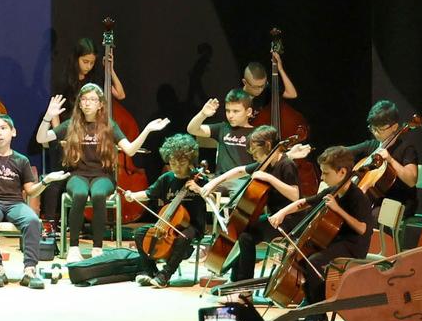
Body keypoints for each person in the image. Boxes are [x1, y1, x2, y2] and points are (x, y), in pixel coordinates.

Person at [35, 84, 170, 258]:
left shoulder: (108, 125)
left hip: (102, 175)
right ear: (79, 104)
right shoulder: (71, 124)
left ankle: (97, 247)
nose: (87, 103)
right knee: (80, 194)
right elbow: (41, 139)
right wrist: (48, 117)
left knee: (98, 194)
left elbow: (130, 150)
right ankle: (74, 247)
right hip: (78, 175)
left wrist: (147, 130)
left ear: (100, 104)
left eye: (92, 99)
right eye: (84, 99)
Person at [268, 146, 372, 321]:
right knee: (303, 258)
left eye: (325, 173)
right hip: (336, 242)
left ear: (342, 172)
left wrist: (338, 210)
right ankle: (309, 303)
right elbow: (304, 202)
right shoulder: (333, 191)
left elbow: (362, 229)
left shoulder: (357, 196)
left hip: (353, 245)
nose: (322, 178)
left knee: (314, 261)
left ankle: (319, 316)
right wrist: (282, 213)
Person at [199, 124, 310, 286]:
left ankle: (243, 286)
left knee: (246, 237)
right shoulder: (266, 163)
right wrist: (214, 182)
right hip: (274, 218)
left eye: (255, 152)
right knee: (243, 234)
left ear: (269, 146)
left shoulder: (286, 165)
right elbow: (239, 171)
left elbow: (295, 195)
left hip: (290, 219)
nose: (253, 157)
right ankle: (236, 282)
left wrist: (269, 178)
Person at [0, 113, 56, 290]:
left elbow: (30, 190)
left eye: (3, 128)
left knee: (32, 221)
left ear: (13, 132)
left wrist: (45, 182)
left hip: (16, 203)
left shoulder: (21, 160)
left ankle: (30, 270)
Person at [132, 132, 213, 288]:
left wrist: (198, 189)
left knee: (183, 236)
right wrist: (132, 195)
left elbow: (213, 200)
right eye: (172, 162)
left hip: (193, 226)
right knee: (140, 233)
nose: (176, 167)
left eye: (181, 163)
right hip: (167, 225)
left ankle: (165, 274)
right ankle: (149, 270)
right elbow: (149, 193)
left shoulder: (200, 179)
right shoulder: (167, 178)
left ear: (190, 161)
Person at [341, 100, 422, 213]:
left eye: (379, 129)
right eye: (372, 128)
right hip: (377, 200)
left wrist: (391, 160)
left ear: (394, 127)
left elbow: (411, 180)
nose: (375, 132)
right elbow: (343, 152)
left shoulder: (406, 148)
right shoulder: (372, 145)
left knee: (371, 215)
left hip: (400, 201)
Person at [186, 89, 262, 177]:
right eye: (228, 110)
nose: (230, 115)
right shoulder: (222, 128)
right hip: (220, 181)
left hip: (244, 182)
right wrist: (203, 114)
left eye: (236, 111)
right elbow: (192, 129)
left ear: (248, 112)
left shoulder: (257, 133)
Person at [66, 36, 126, 102]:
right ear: (76, 59)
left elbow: (120, 95)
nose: (89, 66)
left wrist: (111, 70)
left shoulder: (96, 77)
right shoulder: (66, 80)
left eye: (92, 63)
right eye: (85, 62)